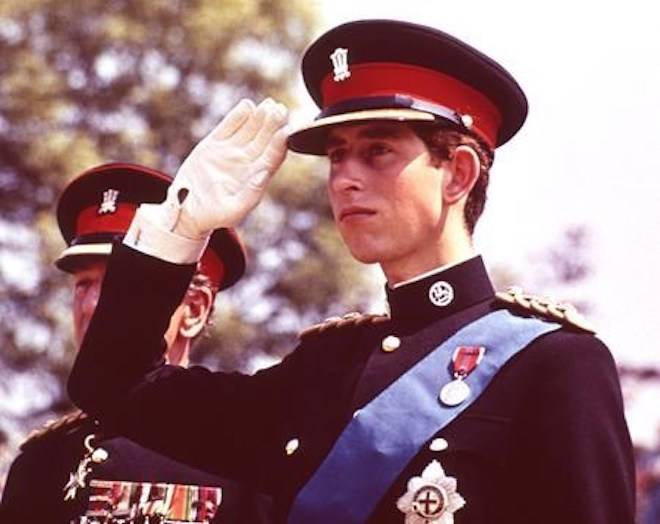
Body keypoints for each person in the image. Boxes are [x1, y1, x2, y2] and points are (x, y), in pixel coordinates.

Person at [67, 20, 635, 524]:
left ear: (457, 173)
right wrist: (180, 227)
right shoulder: (326, 367)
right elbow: (113, 386)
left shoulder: (552, 366)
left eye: (378, 151)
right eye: (337, 154)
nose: (344, 178)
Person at [0, 163, 273, 523]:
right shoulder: (41, 462)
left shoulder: (243, 450)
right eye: (83, 284)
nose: (93, 304)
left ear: (194, 310)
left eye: (116, 286)